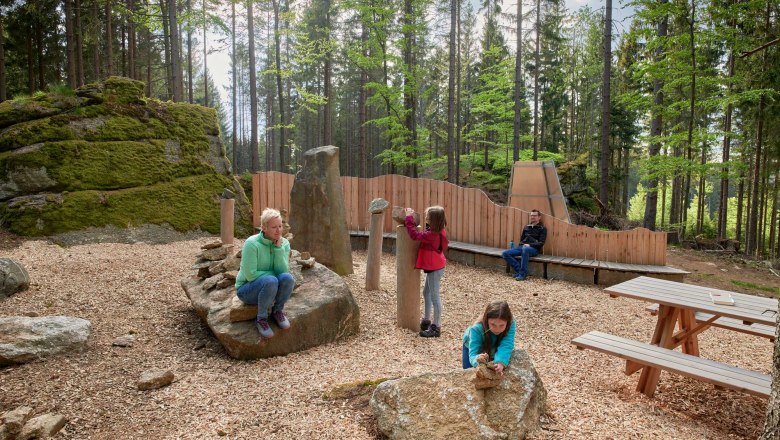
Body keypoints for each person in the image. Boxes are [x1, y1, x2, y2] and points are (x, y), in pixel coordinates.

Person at [235, 208, 294, 339]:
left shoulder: (284, 243)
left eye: (280, 226)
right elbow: (250, 275)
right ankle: (261, 319)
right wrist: (272, 277)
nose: (279, 230)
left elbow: (283, 272)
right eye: (274, 227)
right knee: (271, 281)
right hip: (247, 289)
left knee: (288, 278)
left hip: (270, 286)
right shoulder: (251, 244)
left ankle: (277, 311)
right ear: (263, 227)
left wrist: (278, 249)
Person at [404, 206, 449, 338]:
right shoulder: (437, 231)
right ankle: (426, 320)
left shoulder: (432, 235)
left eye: (428, 217)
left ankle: (436, 327)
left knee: (435, 297)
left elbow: (414, 235)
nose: (425, 219)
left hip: (435, 269)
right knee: (426, 293)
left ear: (434, 220)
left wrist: (408, 218)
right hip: (435, 267)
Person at [462, 300, 516, 375]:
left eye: (501, 325)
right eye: (493, 324)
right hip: (471, 345)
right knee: (469, 373)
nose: (497, 329)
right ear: (486, 320)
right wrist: (478, 360)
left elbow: (507, 344)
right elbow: (473, 354)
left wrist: (500, 362)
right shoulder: (476, 329)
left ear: (508, 321)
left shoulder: (511, 324)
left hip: (493, 343)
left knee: (494, 368)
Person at [502, 209, 547, 281]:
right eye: (531, 215)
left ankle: (522, 274)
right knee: (505, 253)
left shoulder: (542, 228)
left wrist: (529, 245)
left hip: (534, 249)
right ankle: (519, 270)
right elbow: (521, 239)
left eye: (535, 215)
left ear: (539, 217)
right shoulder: (526, 226)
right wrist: (521, 245)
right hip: (522, 247)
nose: (532, 217)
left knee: (525, 249)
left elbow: (541, 243)